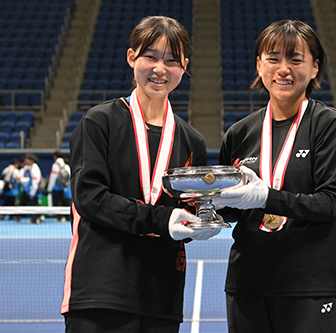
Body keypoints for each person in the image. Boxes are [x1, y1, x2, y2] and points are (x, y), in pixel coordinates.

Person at [61, 16, 220, 333]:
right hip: (100, 291)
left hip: (162, 294)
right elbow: (90, 198)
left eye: (172, 60)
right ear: (132, 57)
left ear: (184, 66)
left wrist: (206, 217)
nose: (160, 69)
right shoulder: (99, 122)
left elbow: (187, 210)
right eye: (151, 56)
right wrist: (163, 220)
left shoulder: (191, 141)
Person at [213, 20, 336, 333]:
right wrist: (206, 208)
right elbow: (233, 208)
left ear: (315, 67)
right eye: (273, 58)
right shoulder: (239, 134)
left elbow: (331, 203)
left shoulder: (330, 127)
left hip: (310, 285)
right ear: (259, 65)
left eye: (295, 59)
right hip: (247, 283)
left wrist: (267, 196)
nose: (283, 69)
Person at [45, 150, 71, 223]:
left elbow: (53, 178)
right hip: (65, 187)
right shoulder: (66, 165)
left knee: (58, 203)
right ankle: (67, 217)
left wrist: (49, 189)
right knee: (65, 202)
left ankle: (60, 218)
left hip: (57, 188)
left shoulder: (55, 165)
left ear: (55, 157)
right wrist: (66, 187)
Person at [18, 153, 43, 224]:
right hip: (30, 190)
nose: (25, 161)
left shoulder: (35, 169)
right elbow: (23, 172)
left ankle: (35, 219)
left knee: (34, 205)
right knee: (35, 205)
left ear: (31, 160)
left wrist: (32, 193)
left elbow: (35, 182)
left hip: (34, 191)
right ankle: (39, 217)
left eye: (27, 159)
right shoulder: (28, 167)